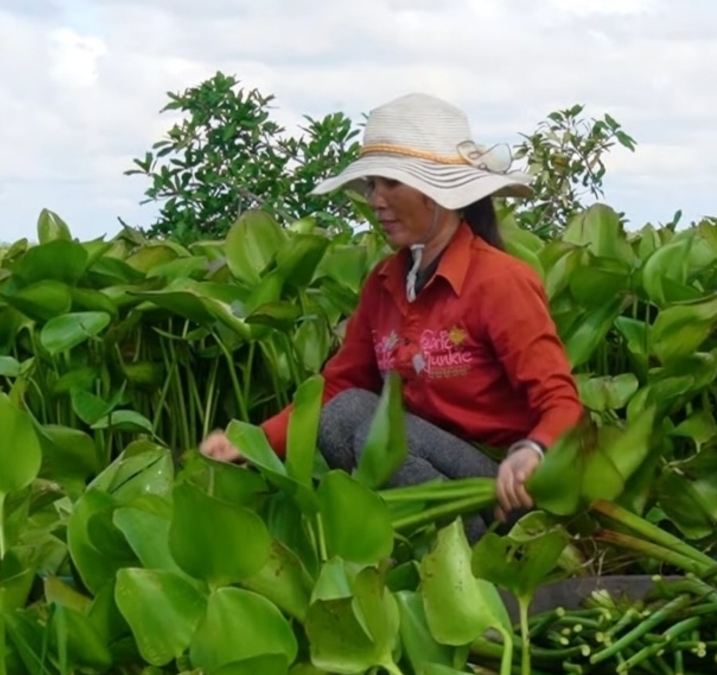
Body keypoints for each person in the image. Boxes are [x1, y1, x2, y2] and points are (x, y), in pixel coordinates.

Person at [199, 92, 586, 540]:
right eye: (372, 186)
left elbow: (562, 402)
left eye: (391, 184)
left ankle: (474, 548)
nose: (376, 200)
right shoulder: (384, 281)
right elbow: (340, 385)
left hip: (504, 485)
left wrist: (532, 451)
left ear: (440, 195)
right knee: (344, 413)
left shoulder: (500, 281)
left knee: (370, 428)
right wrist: (250, 444)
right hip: (429, 473)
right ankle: (436, 545)